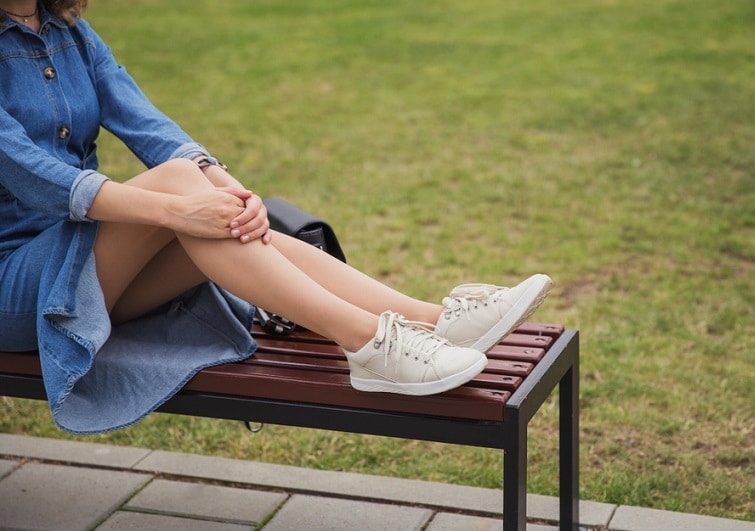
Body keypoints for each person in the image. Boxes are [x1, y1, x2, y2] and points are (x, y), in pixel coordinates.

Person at [0, 0, 553, 434]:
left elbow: (149, 124)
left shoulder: (67, 32)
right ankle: (365, 344)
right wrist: (180, 206)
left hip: (84, 272)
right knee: (180, 191)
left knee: (205, 203)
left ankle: (432, 321)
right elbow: (33, 175)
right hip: (16, 291)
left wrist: (238, 196)